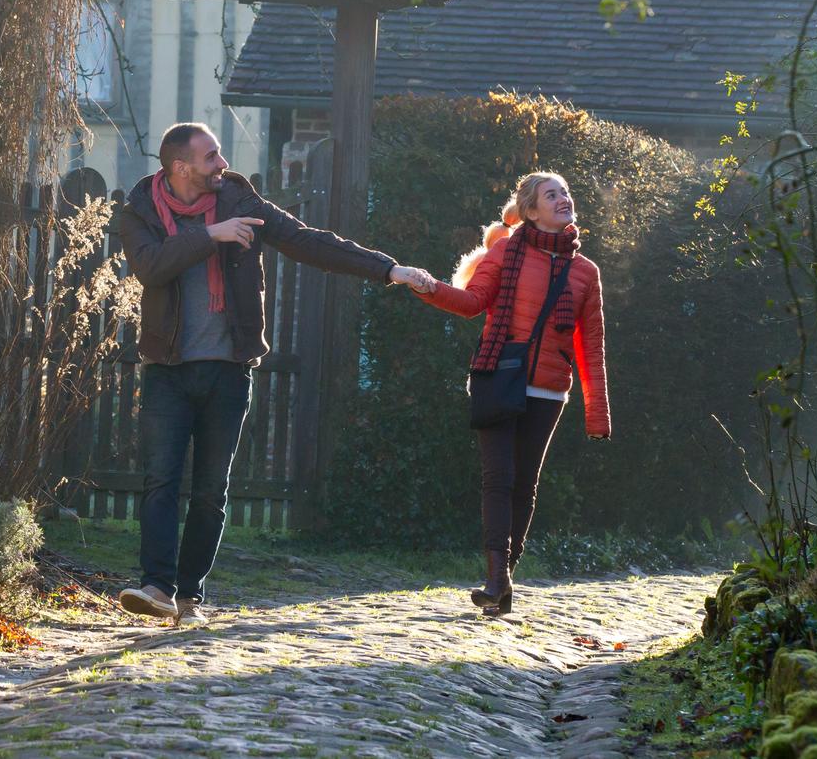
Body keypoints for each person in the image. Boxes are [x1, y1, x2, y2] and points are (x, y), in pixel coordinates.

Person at [114, 122, 435, 624]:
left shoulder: (241, 202)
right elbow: (151, 268)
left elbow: (308, 241)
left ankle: (188, 596)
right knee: (161, 481)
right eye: (211, 156)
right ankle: (155, 586)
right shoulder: (140, 213)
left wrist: (388, 269)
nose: (222, 163)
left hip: (228, 371)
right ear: (180, 168)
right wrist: (210, 236)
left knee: (210, 491)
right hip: (168, 370)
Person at [406, 171, 610, 616]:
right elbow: (471, 302)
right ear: (532, 211)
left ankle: (504, 578)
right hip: (498, 376)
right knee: (498, 478)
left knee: (524, 485)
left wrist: (597, 413)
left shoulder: (585, 272)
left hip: (549, 390)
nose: (563, 199)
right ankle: (496, 578)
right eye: (551, 195)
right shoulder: (504, 252)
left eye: (565, 193)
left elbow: (590, 345)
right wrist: (428, 287)